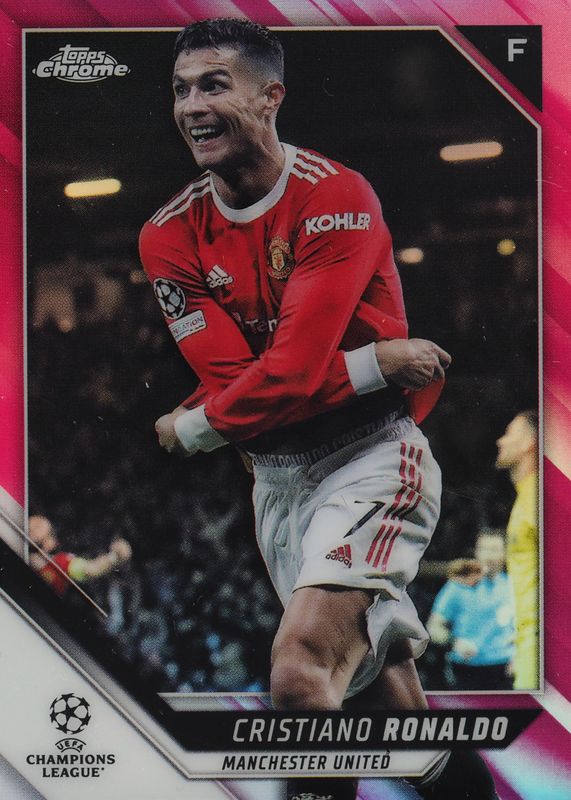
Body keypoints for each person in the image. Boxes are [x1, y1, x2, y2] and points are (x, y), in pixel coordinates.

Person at [140, 19, 498, 799]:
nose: (191, 106)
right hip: (275, 486)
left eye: (213, 85)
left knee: (300, 674)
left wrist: (196, 426)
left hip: (370, 458)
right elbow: (244, 386)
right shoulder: (167, 235)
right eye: (180, 89)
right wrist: (372, 364)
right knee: (399, 728)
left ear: (270, 97)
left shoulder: (334, 195)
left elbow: (287, 374)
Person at [427, 529, 515, 691]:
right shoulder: (457, 585)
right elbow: (433, 627)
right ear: (476, 552)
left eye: (494, 550)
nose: (488, 556)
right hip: (466, 669)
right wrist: (454, 643)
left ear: (504, 553)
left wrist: (520, 657)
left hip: (504, 669)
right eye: (484, 549)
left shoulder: (514, 586)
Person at [495, 409, 539, 690]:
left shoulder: (540, 496)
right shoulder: (526, 496)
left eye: (509, 433)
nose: (500, 441)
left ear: (529, 443)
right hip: (527, 643)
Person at [28, 514, 132, 597]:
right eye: (32, 527)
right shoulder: (28, 550)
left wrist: (114, 557)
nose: (34, 528)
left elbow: (91, 569)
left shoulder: (62, 562)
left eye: (38, 527)